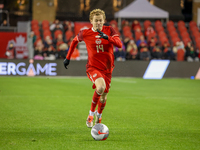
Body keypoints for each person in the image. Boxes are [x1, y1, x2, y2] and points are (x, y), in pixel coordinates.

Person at [63, 9, 122, 128]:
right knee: (100, 87)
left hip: (108, 69)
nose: (99, 23)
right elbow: (74, 41)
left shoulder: (110, 30)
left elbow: (119, 44)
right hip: (93, 67)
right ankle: (91, 114)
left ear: (104, 20)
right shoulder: (85, 33)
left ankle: (99, 117)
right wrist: (68, 58)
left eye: (101, 20)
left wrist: (108, 38)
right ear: (91, 21)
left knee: (104, 96)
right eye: (96, 21)